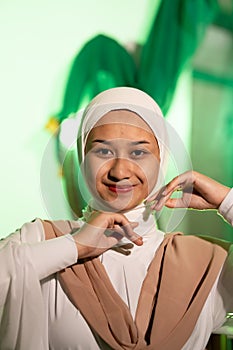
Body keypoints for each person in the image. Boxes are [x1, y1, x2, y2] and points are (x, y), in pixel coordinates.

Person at [0, 87, 233, 350]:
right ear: (82, 158)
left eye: (138, 153)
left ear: (161, 159)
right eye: (103, 152)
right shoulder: (42, 239)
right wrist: (74, 246)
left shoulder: (206, 262)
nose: (120, 171)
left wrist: (227, 201)